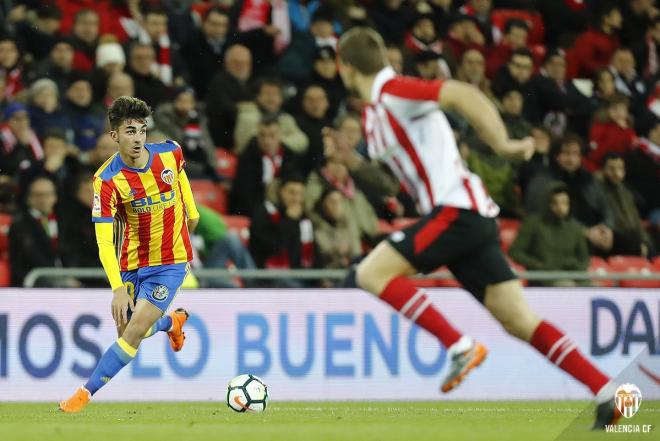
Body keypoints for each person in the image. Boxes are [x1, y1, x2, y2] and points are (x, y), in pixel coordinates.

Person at [335, 27, 619, 429]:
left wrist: (502, 143)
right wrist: (356, 166)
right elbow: (396, 183)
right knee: (517, 319)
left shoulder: (393, 91)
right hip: (464, 215)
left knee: (370, 272)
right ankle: (610, 390)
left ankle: (458, 344)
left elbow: (461, 94)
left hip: (457, 209)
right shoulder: (375, 113)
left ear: (343, 66)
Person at [58, 96, 200, 413]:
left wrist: (191, 213)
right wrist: (118, 289)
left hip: (171, 262)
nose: (137, 138)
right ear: (114, 136)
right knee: (127, 331)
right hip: (133, 262)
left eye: (141, 130)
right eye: (129, 131)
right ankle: (171, 323)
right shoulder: (106, 181)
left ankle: (83, 394)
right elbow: (104, 242)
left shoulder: (170, 153)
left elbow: (181, 182)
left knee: (132, 334)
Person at [509, 183, 590, 286]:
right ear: (547, 204)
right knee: (566, 286)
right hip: (542, 276)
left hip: (572, 274)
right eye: (555, 203)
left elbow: (584, 258)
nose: (561, 207)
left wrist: (575, 267)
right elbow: (516, 252)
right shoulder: (533, 223)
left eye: (565, 203)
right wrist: (539, 265)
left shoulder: (575, 228)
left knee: (595, 288)